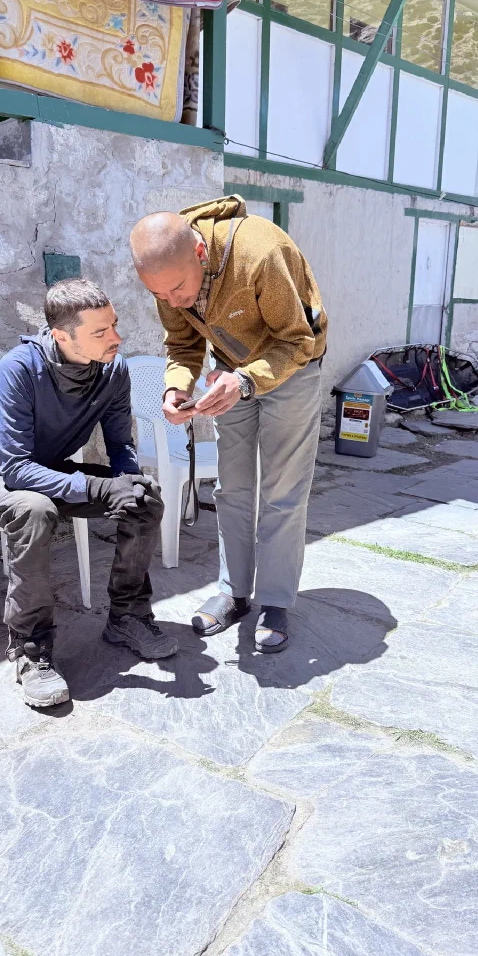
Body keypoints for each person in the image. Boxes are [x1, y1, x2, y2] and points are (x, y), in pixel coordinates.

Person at [0, 279, 175, 709]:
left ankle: (128, 615)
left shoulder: (114, 368)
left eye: (114, 325)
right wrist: (97, 486)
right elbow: (16, 468)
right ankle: (29, 647)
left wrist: (127, 483)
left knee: (146, 500)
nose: (115, 338)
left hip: (52, 472)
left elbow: (119, 442)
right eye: (100, 332)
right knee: (34, 510)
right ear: (62, 335)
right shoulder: (19, 367)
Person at [130, 195, 327, 653]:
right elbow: (181, 346)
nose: (173, 301)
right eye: (160, 295)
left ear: (200, 252)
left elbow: (298, 341)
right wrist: (174, 388)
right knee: (231, 489)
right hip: (230, 376)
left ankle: (275, 601)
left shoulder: (259, 252)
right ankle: (233, 592)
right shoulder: (166, 278)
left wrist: (244, 380)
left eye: (178, 289)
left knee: (281, 493)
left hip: (291, 371)